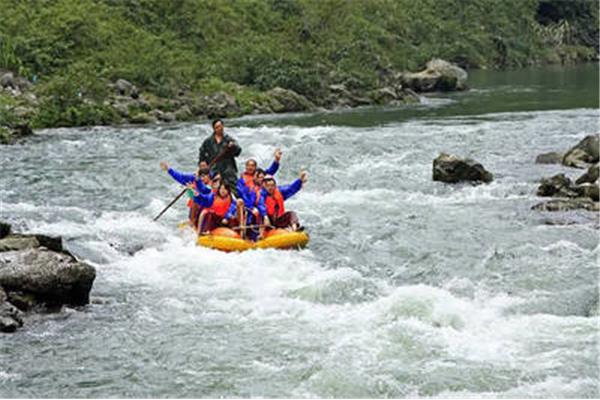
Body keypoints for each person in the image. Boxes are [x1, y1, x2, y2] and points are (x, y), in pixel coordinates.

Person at [160, 161, 211, 226]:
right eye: (200, 166)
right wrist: (169, 169)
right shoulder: (193, 178)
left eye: (204, 166)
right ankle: (192, 222)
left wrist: (194, 186)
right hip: (195, 205)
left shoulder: (212, 181)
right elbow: (180, 177)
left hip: (207, 206)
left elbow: (204, 189)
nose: (202, 168)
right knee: (194, 200)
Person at [198, 119, 242, 195]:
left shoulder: (229, 139)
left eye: (221, 126)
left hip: (228, 168)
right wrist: (202, 163)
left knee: (233, 188)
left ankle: (238, 203)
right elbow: (202, 153)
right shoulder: (208, 141)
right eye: (217, 127)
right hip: (214, 168)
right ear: (214, 128)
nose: (220, 129)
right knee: (214, 188)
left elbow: (238, 151)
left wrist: (233, 146)